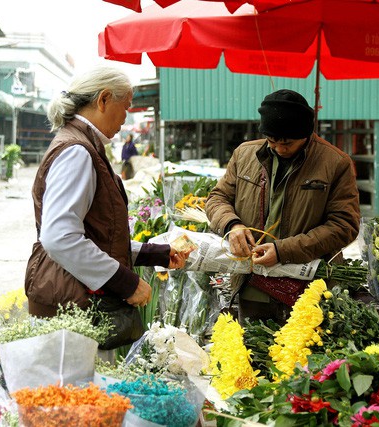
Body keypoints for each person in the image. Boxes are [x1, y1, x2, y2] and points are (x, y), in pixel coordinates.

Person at [24, 66, 191, 352]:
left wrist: (156, 254)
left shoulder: (82, 145)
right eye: (125, 107)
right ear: (103, 100)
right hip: (72, 304)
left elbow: (98, 235)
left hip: (71, 301)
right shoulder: (77, 151)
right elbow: (60, 237)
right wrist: (127, 283)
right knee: (79, 392)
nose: (126, 118)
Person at [205, 89, 361, 324]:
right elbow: (217, 199)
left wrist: (283, 251)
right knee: (251, 352)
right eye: (272, 141)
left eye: (287, 143)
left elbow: (344, 225)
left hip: (308, 290)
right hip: (252, 285)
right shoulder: (245, 155)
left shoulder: (335, 163)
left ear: (306, 134)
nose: (278, 148)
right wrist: (232, 224)